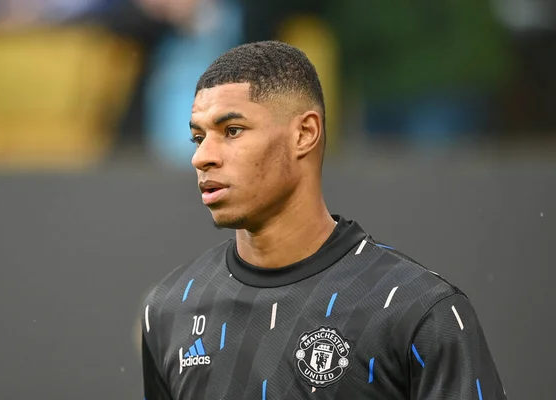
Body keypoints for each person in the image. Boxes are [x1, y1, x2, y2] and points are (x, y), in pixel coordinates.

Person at [141, 41, 507, 399]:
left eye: (232, 131)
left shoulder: (420, 311)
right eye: (198, 137)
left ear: (305, 134)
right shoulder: (170, 309)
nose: (202, 157)